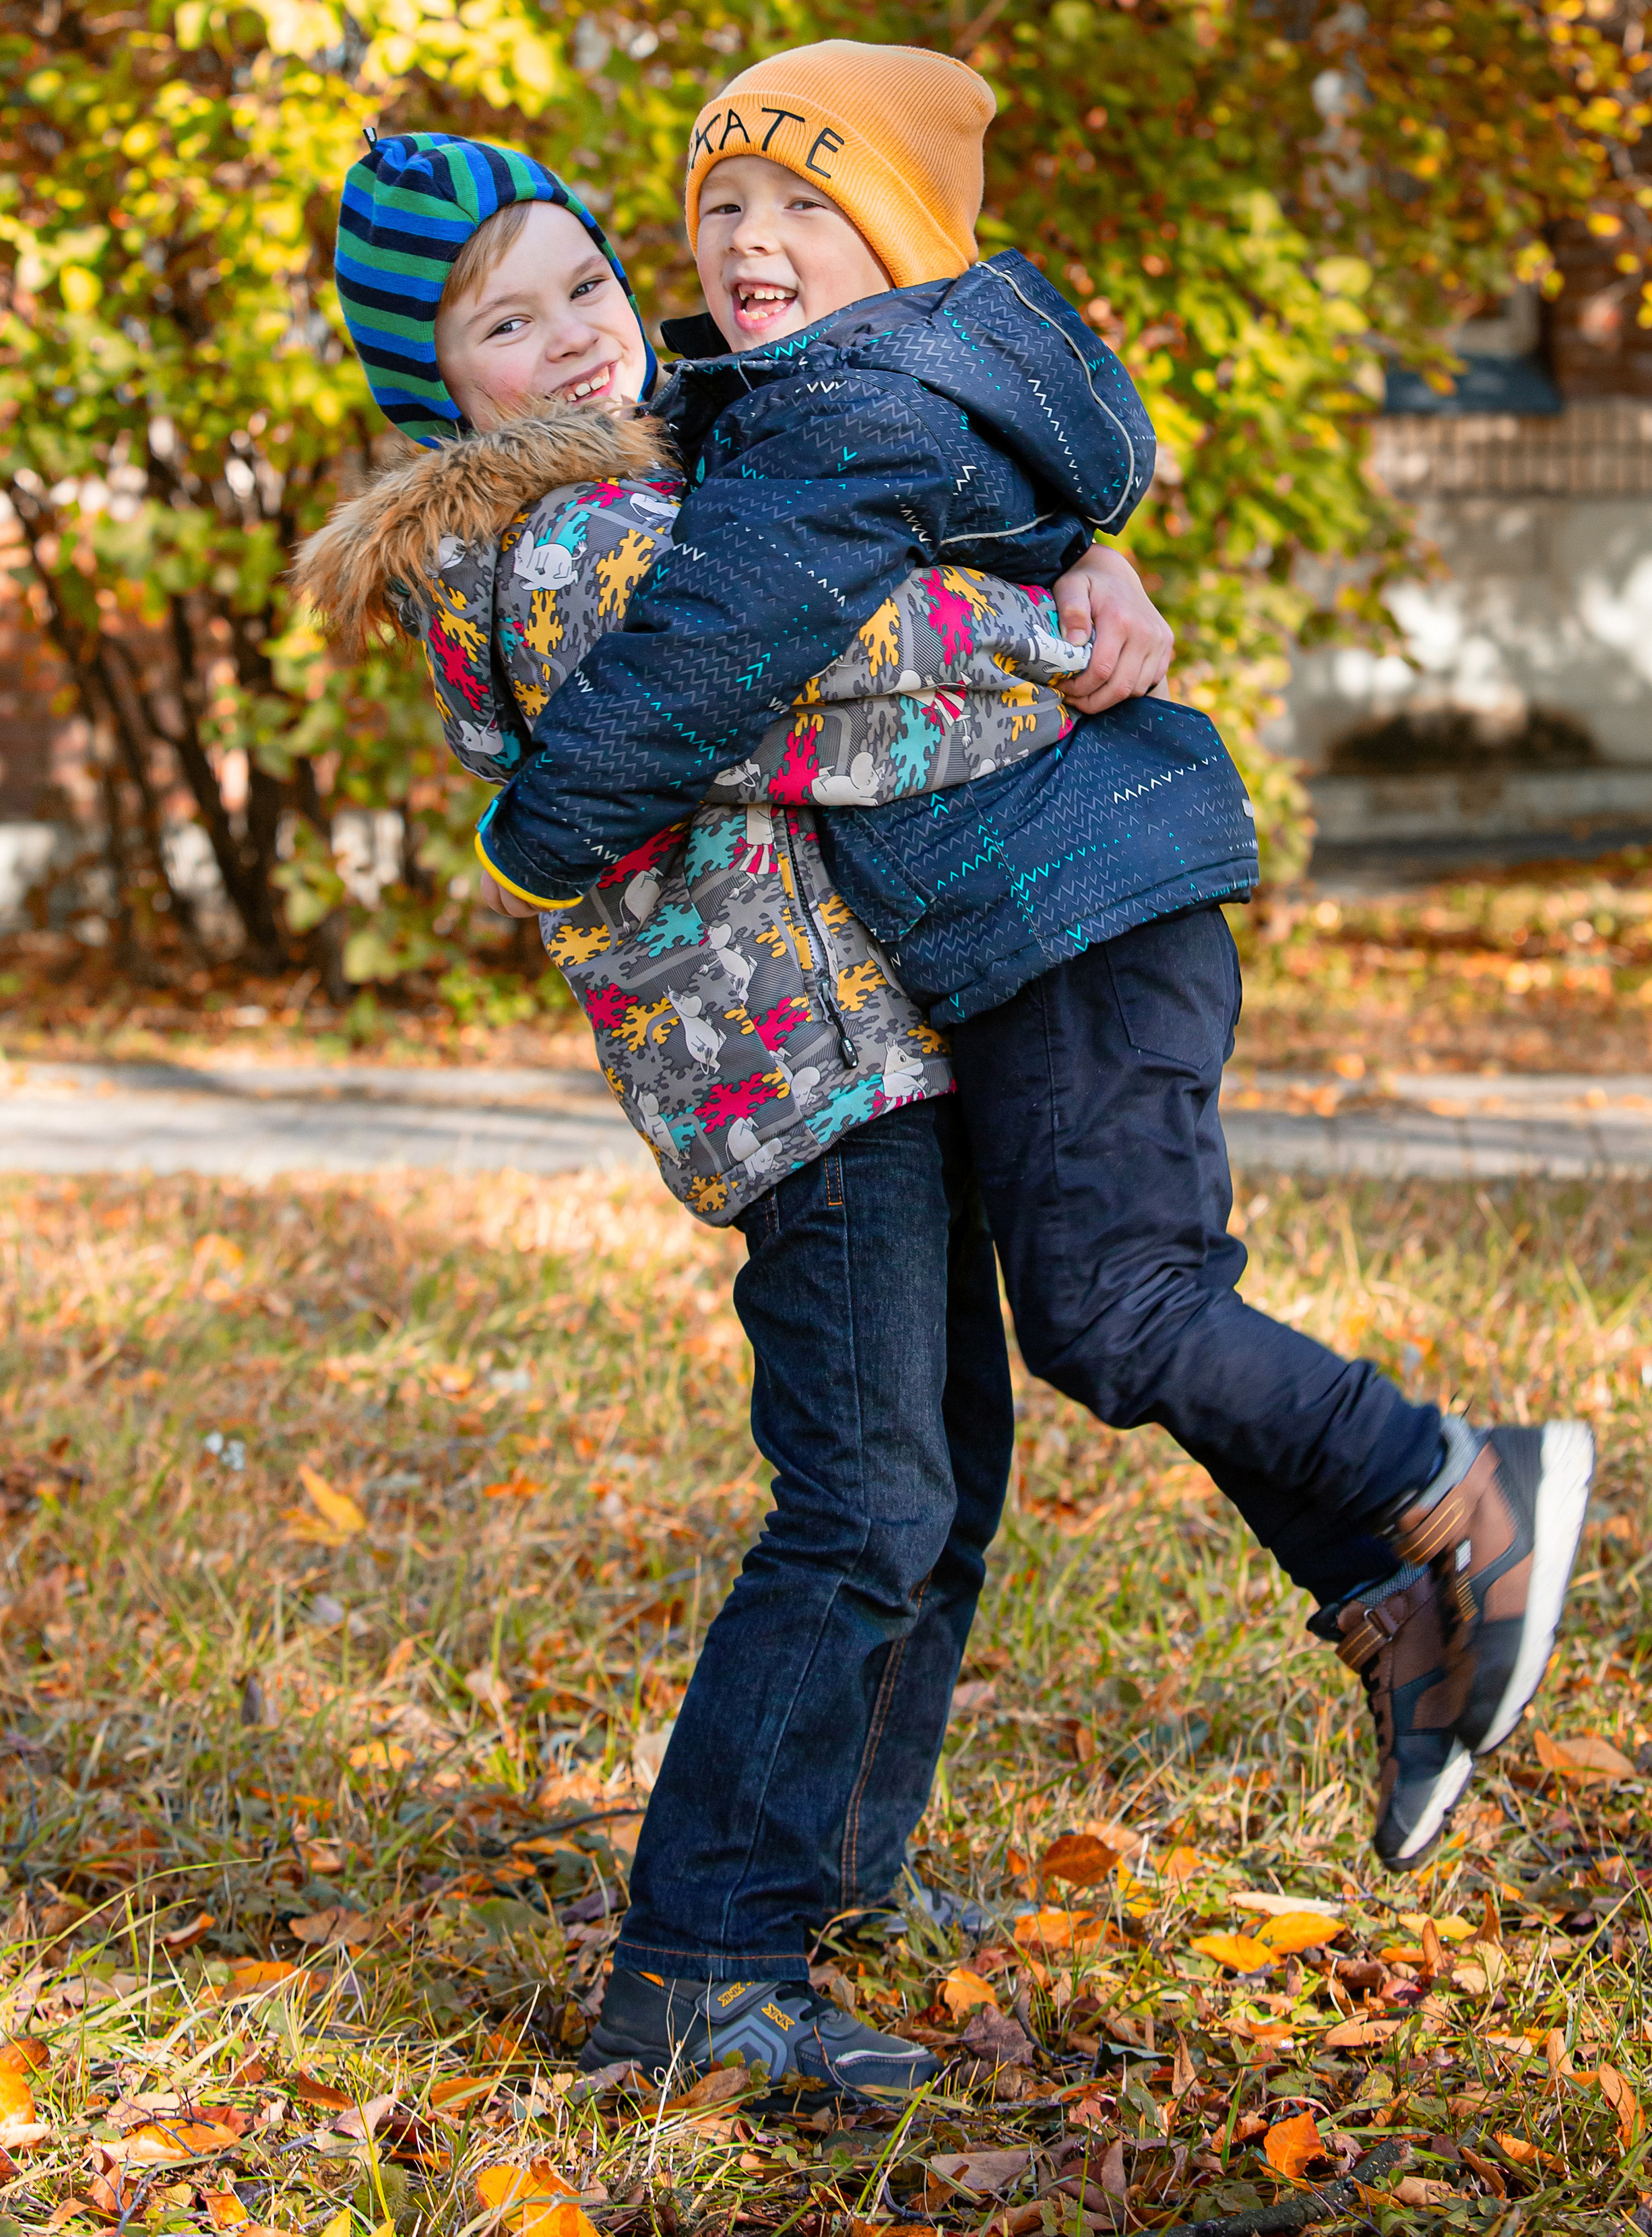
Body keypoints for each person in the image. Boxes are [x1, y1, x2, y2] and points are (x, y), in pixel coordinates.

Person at [464, 46, 1594, 1936]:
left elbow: (743, 651)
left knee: (1098, 1321)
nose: (736, 247)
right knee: (993, 1416)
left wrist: (533, 831)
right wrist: (1072, 589)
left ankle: (1446, 1493)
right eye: (715, 210)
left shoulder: (831, 417)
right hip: (945, 979)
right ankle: (1411, 1597)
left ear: (895, 237)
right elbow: (848, 604)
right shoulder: (664, 480)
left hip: (1052, 919)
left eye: (797, 208)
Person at [303, 133, 1167, 2098]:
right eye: (505, 323)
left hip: (882, 1022)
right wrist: (1073, 638)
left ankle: (840, 1867)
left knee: (943, 1470)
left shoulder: (676, 467)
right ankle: (699, 1966)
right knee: (863, 1503)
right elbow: (831, 679)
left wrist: (1076, 549)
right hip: (796, 1064)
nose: (577, 339)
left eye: (587, 288)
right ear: (442, 379)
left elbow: (872, 528)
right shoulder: (553, 541)